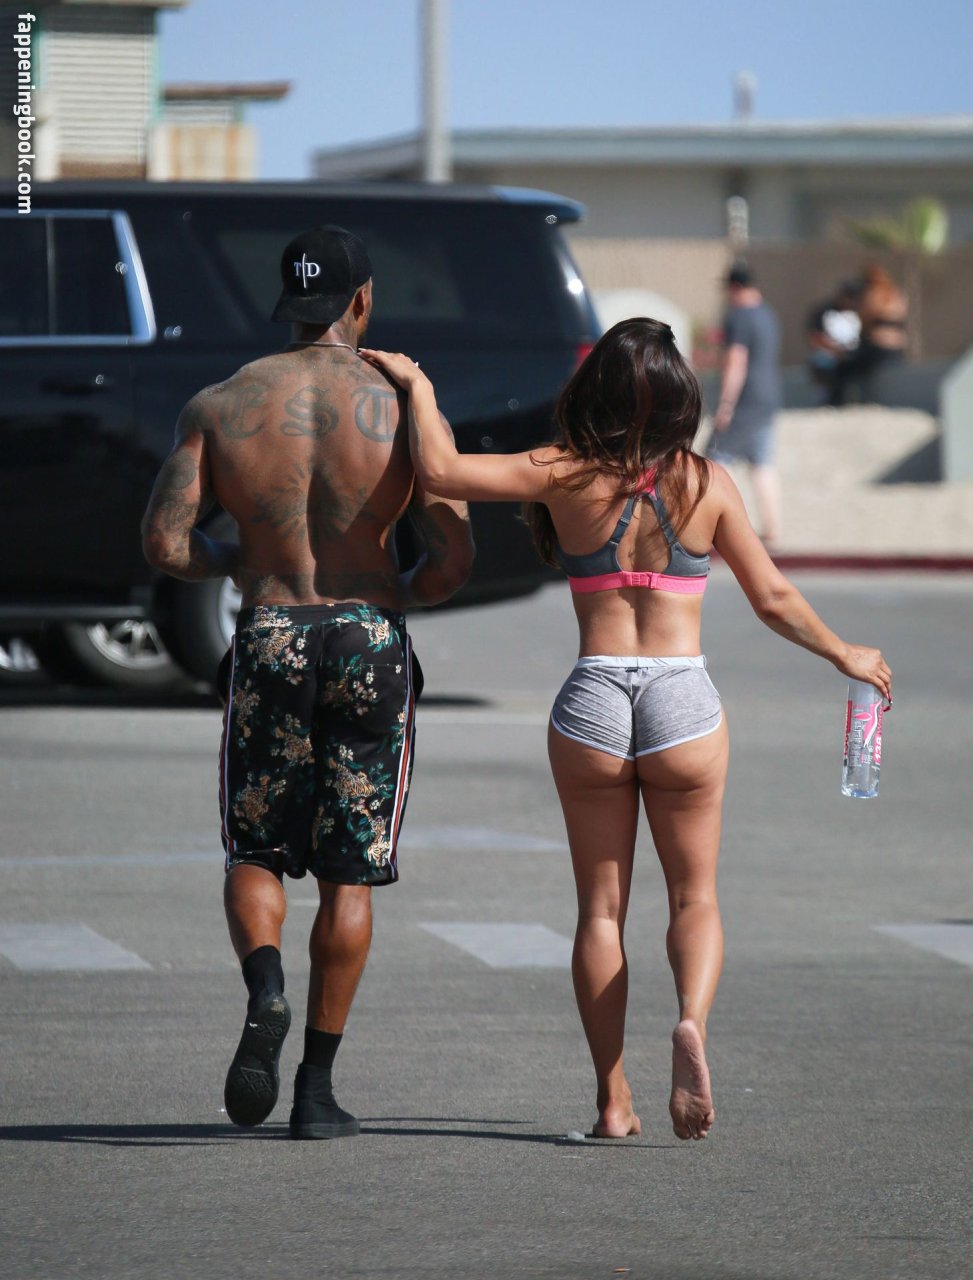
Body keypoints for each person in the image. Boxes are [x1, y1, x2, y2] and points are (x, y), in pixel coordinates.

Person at [361, 319, 891, 1142]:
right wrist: (843, 652)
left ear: (594, 392)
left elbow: (439, 469)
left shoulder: (562, 471)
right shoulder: (706, 483)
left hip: (594, 699)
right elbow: (773, 599)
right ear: (679, 398)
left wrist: (418, 386)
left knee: (600, 913)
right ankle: (689, 1022)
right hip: (682, 698)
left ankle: (612, 1101)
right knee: (694, 896)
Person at [141, 226, 474, 1139]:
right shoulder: (401, 406)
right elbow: (450, 563)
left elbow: (165, 544)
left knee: (254, 849)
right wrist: (389, 594)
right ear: (361, 301)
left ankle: (266, 988)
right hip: (367, 635)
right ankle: (316, 1094)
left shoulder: (221, 402)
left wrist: (240, 562)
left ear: (287, 303)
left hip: (272, 627)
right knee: (348, 873)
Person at [708, 263, 783, 549]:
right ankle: (772, 529)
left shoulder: (739, 317)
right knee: (762, 464)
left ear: (735, 287)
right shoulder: (767, 314)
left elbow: (736, 360)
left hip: (746, 399)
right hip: (768, 398)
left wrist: (726, 404)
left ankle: (715, 527)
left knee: (713, 462)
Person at [839, 263, 908, 402]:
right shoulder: (897, 294)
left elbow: (865, 317)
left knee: (846, 364)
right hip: (898, 344)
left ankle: (848, 399)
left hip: (877, 345)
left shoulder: (873, 294)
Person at [805, 280, 862, 406]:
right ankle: (824, 400)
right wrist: (834, 350)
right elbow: (813, 337)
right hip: (827, 354)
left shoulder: (857, 314)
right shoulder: (823, 311)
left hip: (850, 356)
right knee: (821, 362)